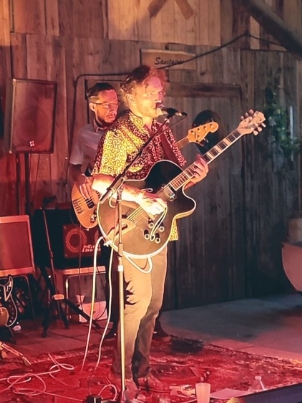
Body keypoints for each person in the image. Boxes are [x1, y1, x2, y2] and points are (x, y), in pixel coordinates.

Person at [90, 65, 208, 401]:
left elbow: (174, 182)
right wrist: (139, 196)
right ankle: (120, 373)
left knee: (154, 304)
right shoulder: (117, 135)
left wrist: (196, 175)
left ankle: (142, 369)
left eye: (160, 90)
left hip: (161, 229)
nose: (160, 95)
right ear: (132, 96)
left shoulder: (163, 132)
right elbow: (99, 182)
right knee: (137, 301)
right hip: (130, 226)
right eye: (151, 91)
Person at [68, 82, 119, 193]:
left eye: (115, 103)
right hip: (98, 194)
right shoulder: (85, 134)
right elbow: (74, 166)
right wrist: (80, 178)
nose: (113, 109)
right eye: (106, 105)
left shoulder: (125, 130)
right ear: (92, 107)